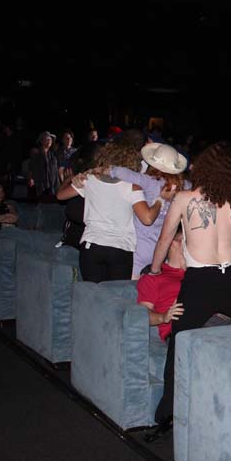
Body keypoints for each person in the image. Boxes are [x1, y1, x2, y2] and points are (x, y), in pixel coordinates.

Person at [148, 142, 231, 428]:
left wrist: (154, 270)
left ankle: (167, 414)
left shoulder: (184, 198)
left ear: (204, 168)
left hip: (199, 281)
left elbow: (165, 238)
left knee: (179, 344)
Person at [56, 141, 165, 283]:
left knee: (91, 293)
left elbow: (60, 196)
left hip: (91, 246)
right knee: (116, 294)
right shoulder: (132, 186)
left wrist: (69, 179)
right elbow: (147, 219)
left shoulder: (89, 180)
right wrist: (159, 201)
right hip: (120, 249)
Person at [106, 143, 188, 279]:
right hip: (161, 253)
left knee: (131, 288)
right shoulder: (184, 188)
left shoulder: (148, 182)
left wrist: (97, 171)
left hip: (138, 250)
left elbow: (119, 172)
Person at [136, 231, 185, 343]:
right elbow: (142, 314)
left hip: (211, 323)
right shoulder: (154, 277)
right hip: (180, 331)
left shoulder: (199, 275)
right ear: (173, 243)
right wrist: (163, 317)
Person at [28, 131, 59, 200]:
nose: (49, 141)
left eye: (50, 139)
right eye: (47, 139)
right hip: (40, 186)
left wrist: (57, 185)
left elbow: (55, 171)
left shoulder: (53, 155)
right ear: (42, 141)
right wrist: (31, 179)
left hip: (51, 187)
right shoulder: (36, 153)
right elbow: (31, 168)